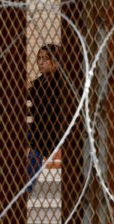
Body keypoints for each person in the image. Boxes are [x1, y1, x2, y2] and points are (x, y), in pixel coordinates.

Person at [27, 44, 66, 193]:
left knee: (36, 144)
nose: (41, 62)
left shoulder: (61, 82)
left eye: (46, 59)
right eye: (39, 59)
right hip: (40, 130)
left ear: (56, 61)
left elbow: (48, 108)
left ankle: (26, 189)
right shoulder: (41, 82)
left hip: (54, 131)